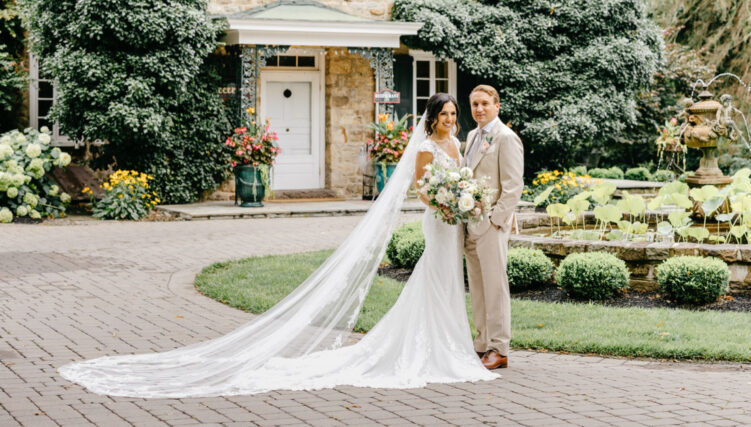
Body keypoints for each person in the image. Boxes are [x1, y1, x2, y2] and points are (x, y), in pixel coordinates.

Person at [59, 93, 497, 397]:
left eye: (452, 114)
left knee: (446, 280)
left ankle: (451, 343)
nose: (449, 119)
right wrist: (444, 203)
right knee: (434, 277)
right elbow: (422, 190)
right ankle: (434, 347)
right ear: (432, 116)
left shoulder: (457, 143)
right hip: (438, 220)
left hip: (452, 222)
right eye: (444, 114)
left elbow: (457, 179)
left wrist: (460, 201)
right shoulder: (425, 147)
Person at [463, 85, 525, 370]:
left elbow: (513, 187)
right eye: (475, 104)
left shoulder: (506, 137)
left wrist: (494, 221)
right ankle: (482, 343)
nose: (479, 109)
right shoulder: (472, 136)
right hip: (470, 223)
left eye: (485, 104)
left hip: (491, 224)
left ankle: (499, 348)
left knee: (495, 286)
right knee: (477, 286)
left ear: (496, 106)